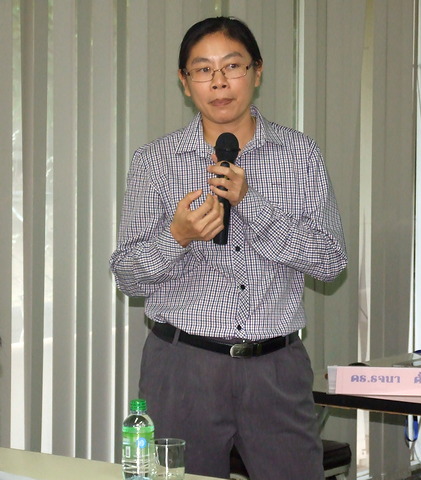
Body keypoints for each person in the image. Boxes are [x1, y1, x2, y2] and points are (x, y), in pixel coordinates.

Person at [109, 16, 347, 480]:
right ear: (185, 81)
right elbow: (127, 275)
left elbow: (330, 262)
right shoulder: (155, 161)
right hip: (182, 367)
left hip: (275, 368)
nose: (219, 82)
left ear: (257, 71)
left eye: (233, 66)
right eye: (203, 69)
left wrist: (252, 205)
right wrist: (177, 236)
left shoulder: (300, 155)